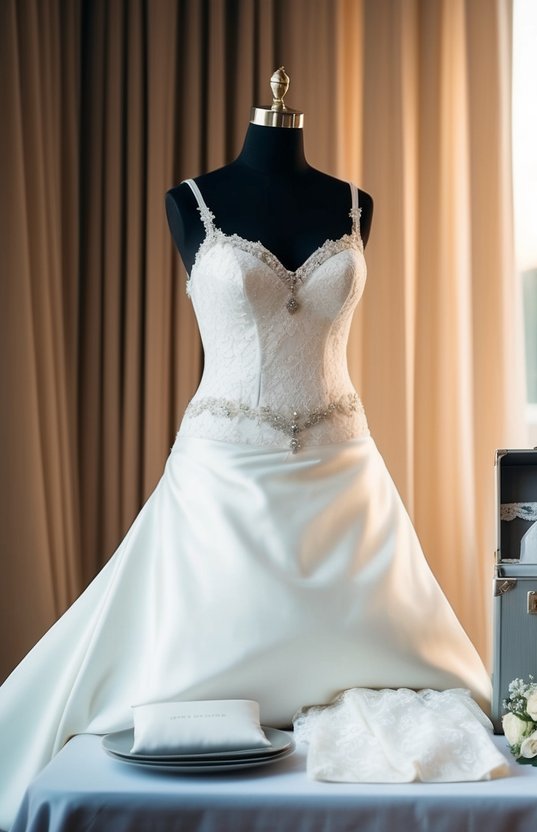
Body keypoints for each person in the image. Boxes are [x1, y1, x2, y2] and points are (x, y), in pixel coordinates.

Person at [0, 73, 489, 828]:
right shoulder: (191, 202)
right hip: (223, 462)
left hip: (341, 463)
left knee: (390, 652)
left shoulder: (355, 204)